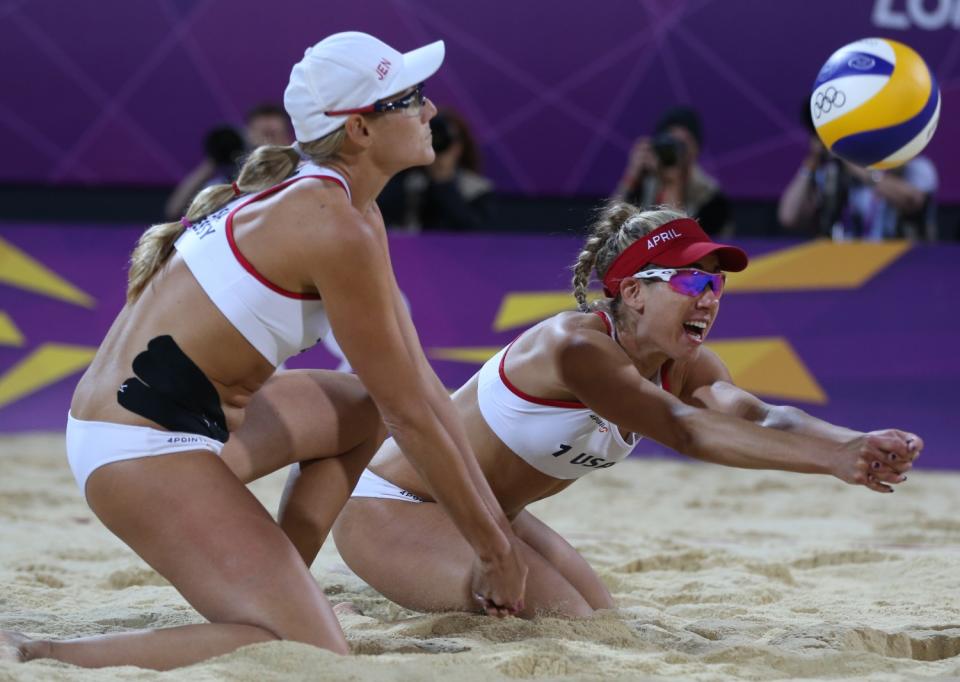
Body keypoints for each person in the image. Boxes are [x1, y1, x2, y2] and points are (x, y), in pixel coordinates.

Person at [1, 31, 527, 670]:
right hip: (136, 450)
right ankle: (41, 653)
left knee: (359, 410)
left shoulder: (347, 205)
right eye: (411, 98)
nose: (432, 111)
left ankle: (282, 585)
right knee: (307, 650)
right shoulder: (330, 222)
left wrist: (493, 538)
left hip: (167, 424)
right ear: (359, 129)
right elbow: (412, 414)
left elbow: (416, 389)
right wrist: (495, 552)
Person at [281, 201, 919, 618]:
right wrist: (829, 461)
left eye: (717, 284)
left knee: (599, 622)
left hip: (488, 511)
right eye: (693, 281)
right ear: (635, 293)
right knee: (565, 630)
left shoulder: (685, 364)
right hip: (395, 508)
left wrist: (853, 441)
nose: (711, 297)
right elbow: (687, 432)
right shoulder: (575, 349)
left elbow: (756, 418)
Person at [778, 106, 938, 240]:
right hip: (840, 263)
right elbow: (789, 217)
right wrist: (811, 163)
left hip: (894, 264)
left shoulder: (916, 167)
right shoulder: (830, 171)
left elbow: (912, 201)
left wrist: (853, 164)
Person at [164, 105, 295, 221]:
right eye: (258, 135)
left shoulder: (300, 177)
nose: (263, 142)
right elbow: (175, 212)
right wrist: (216, 158)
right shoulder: (227, 185)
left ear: (288, 139)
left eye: (271, 135)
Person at [614, 107, 731, 235]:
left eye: (682, 144)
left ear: (696, 150)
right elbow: (609, 229)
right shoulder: (643, 184)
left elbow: (680, 243)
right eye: (669, 144)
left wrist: (672, 184)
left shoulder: (712, 198)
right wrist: (631, 176)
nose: (675, 152)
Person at [378, 107, 493, 231]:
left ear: (459, 146)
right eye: (431, 136)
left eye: (446, 138)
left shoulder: (477, 189)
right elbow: (384, 222)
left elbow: (478, 235)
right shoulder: (402, 181)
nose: (437, 143)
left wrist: (444, 180)